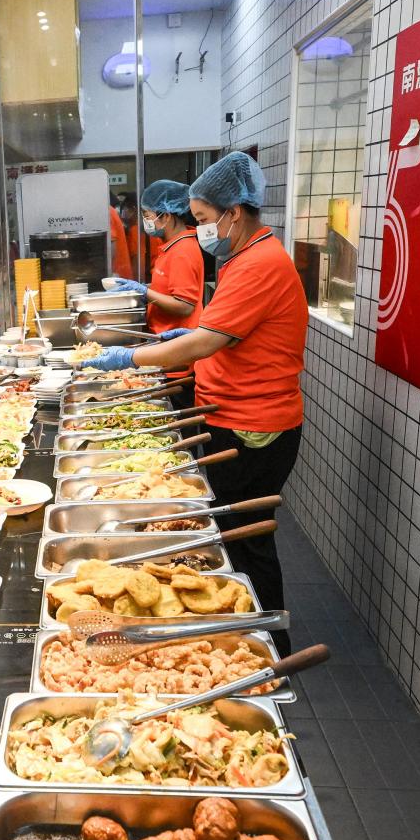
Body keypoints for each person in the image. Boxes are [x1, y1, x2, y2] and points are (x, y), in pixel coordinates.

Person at [84, 152, 308, 651]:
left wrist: (130, 357)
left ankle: (269, 646)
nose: (201, 229)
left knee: (246, 541)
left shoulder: (258, 263)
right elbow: (223, 332)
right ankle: (252, 633)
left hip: (254, 424)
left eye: (204, 218)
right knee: (236, 533)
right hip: (237, 413)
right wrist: (190, 334)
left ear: (234, 212)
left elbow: (205, 343)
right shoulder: (246, 257)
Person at [108, 180, 204, 409]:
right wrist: (144, 290)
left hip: (178, 357)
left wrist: (145, 293)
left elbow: (185, 305)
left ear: (166, 216)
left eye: (147, 215)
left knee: (178, 414)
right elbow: (170, 288)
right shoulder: (171, 246)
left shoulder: (182, 251)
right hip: (165, 350)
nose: (145, 222)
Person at [108, 198, 132, 280]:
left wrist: (108, 273)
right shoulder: (108, 210)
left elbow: (111, 246)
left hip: (116, 275)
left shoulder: (106, 211)